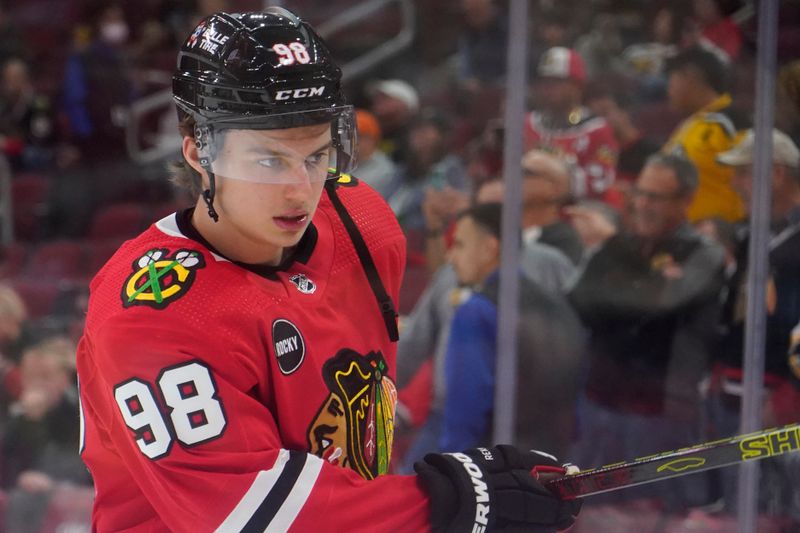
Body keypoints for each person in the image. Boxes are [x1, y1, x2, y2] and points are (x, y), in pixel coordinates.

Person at [75, 8, 580, 532]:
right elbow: (245, 514)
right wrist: (450, 501)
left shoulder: (363, 221)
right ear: (198, 151)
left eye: (317, 156)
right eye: (269, 161)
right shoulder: (150, 314)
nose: (301, 190)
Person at [568, 153, 726, 510]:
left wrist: (626, 276)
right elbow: (581, 302)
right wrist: (642, 280)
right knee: (587, 509)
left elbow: (658, 307)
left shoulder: (703, 254)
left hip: (660, 412)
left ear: (686, 200)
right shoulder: (622, 246)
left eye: (654, 197)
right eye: (639, 193)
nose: (641, 205)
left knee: (652, 513)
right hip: (599, 402)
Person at [439, 203, 585, 457]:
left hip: (493, 468)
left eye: (460, 245)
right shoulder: (556, 304)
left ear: (489, 248)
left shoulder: (476, 311)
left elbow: (466, 409)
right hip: (551, 462)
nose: (451, 257)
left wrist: (450, 471)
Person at [710, 128, 800, 513]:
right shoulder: (754, 234)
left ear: (776, 174)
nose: (734, 184)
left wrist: (790, 395)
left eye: (743, 173)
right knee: (741, 508)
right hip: (738, 394)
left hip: (783, 408)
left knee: (778, 512)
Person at [662, 45, 750, 223]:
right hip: (686, 236)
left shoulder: (732, 122)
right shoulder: (691, 125)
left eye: (672, 78)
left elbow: (755, 181)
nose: (668, 88)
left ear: (690, 77)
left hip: (724, 235)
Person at [524, 47, 619, 202]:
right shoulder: (527, 123)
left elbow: (601, 181)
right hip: (530, 207)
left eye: (557, 82)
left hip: (575, 210)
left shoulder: (598, 130)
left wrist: (552, 174)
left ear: (577, 86)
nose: (547, 89)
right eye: (545, 81)